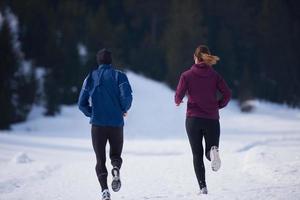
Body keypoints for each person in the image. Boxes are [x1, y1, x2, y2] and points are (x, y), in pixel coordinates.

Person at [175, 45, 231, 194]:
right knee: (210, 150)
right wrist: (219, 105)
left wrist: (178, 100)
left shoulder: (186, 75)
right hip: (212, 119)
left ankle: (203, 187)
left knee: (197, 154)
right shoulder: (215, 75)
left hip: (193, 119)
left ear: (195, 57)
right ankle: (213, 152)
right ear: (207, 57)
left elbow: (178, 95)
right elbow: (227, 93)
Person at [78, 49, 133, 200]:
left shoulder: (90, 77)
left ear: (98, 61)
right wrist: (123, 109)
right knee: (115, 155)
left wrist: (92, 113)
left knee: (100, 159)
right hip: (116, 124)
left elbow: (81, 104)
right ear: (110, 61)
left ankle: (105, 191)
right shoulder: (119, 76)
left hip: (97, 126)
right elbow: (126, 96)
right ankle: (115, 168)